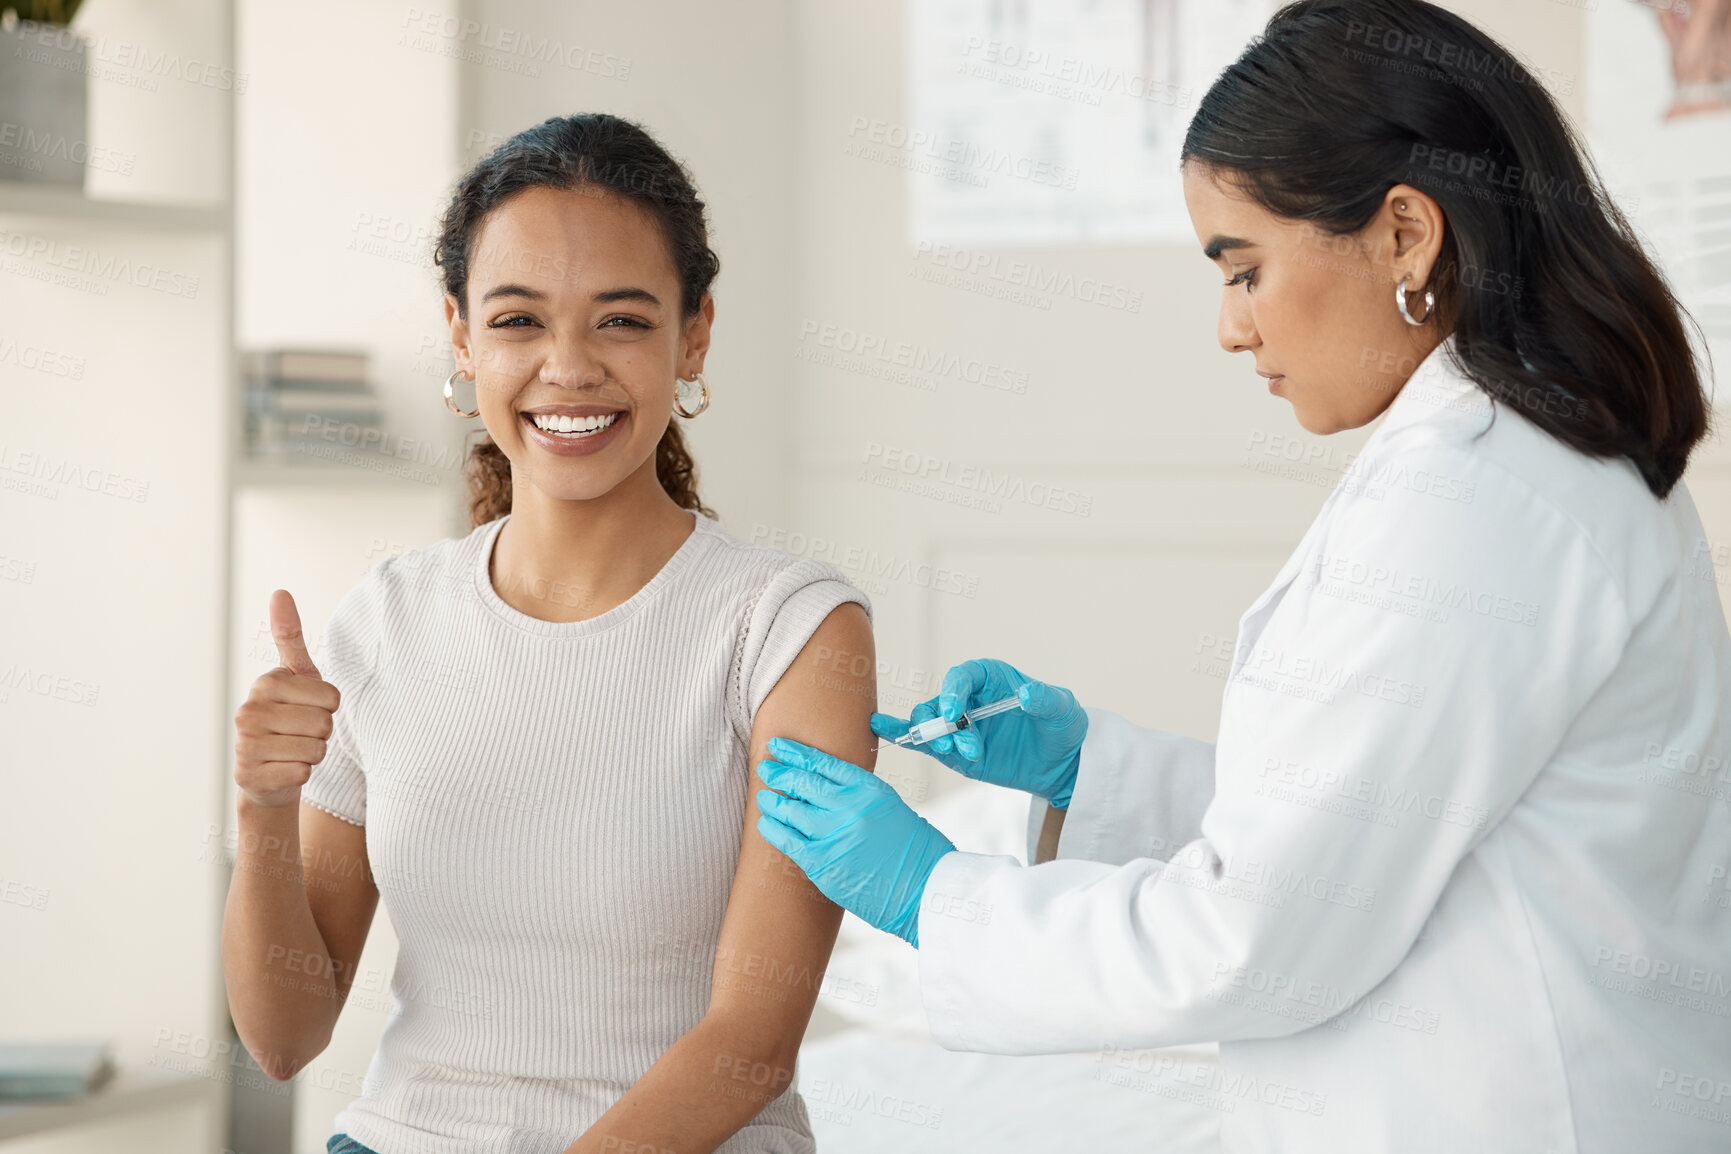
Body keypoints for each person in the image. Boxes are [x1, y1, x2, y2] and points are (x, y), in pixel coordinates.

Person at [753, 2, 1731, 1150]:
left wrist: (936, 896)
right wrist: (1091, 766)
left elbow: (1257, 933)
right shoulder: (1522, 458)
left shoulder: (1477, 499)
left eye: (1245, 268)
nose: (1229, 327)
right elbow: (1373, 815)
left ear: (1407, 235)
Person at [222, 113, 877, 1154]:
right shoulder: (384, 620)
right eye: (519, 320)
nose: (567, 367)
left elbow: (752, 1040)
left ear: (694, 332)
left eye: (620, 320)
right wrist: (262, 809)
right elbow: (283, 1036)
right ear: (461, 334)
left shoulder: (789, 628)